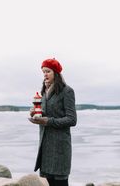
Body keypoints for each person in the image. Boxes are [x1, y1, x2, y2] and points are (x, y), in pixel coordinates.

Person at [29, 58, 77, 186]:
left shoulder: (67, 91)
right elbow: (47, 114)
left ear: (56, 73)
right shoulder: (44, 92)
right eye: (43, 72)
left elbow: (72, 119)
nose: (45, 74)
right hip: (45, 148)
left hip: (60, 149)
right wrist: (36, 114)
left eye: (48, 71)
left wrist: (48, 121)